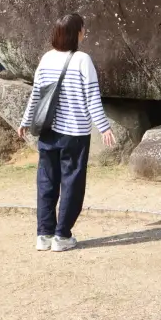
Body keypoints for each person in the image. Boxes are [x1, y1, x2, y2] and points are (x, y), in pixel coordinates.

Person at [18, 13, 115, 252]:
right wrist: (104, 127)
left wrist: (25, 121)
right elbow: (92, 97)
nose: (85, 32)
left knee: (46, 182)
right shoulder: (83, 60)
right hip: (74, 133)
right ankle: (62, 236)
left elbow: (36, 95)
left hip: (48, 131)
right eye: (83, 28)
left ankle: (44, 235)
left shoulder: (46, 59)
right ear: (76, 33)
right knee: (72, 182)